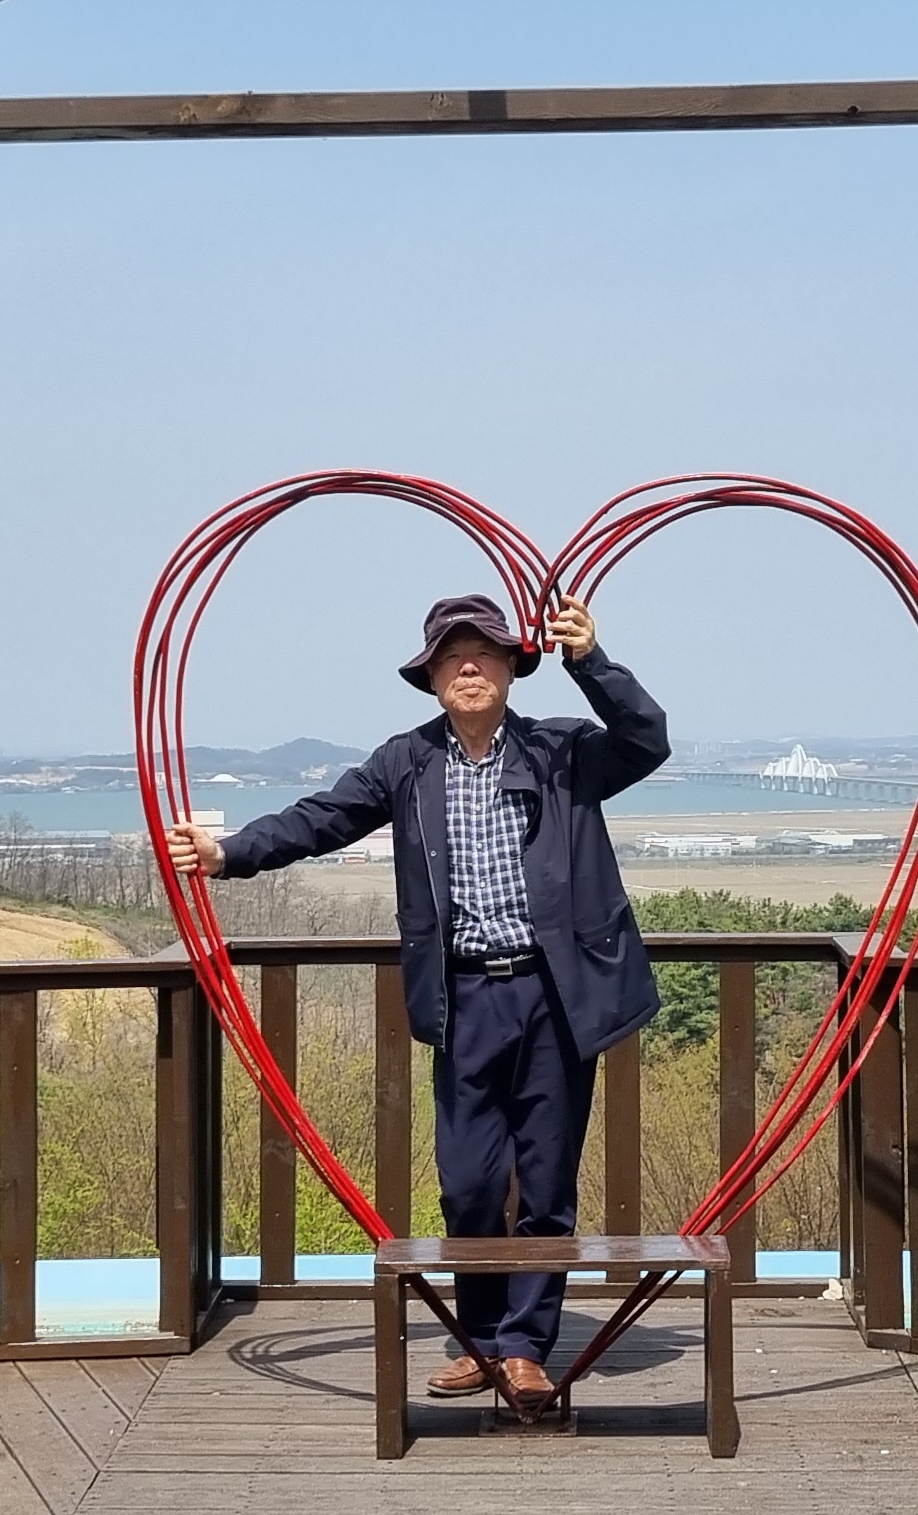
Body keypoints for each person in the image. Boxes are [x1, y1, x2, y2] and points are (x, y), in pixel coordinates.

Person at [163, 591, 667, 1403]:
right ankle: (480, 1339)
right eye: (451, 658)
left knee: (546, 1185)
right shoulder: (407, 761)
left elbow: (646, 739)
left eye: (485, 653)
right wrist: (229, 852)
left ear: (512, 669)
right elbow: (322, 818)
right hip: (464, 999)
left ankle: (524, 1347)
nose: (469, 668)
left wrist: (591, 661)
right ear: (431, 678)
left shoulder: (563, 750)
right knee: (468, 1182)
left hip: (555, 997)